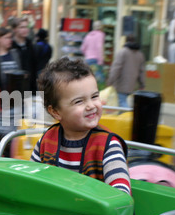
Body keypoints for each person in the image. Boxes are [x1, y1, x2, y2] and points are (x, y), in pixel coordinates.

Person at [30, 57, 131, 195]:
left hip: (97, 214)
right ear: (55, 112)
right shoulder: (46, 141)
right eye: (79, 101)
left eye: (94, 96)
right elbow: (31, 179)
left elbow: (121, 193)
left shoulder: (108, 146)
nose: (91, 106)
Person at [106, 35, 146, 108]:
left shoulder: (122, 52)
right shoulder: (140, 54)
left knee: (122, 102)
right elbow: (142, 71)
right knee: (124, 101)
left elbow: (116, 68)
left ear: (126, 41)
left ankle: (128, 117)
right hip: (132, 84)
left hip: (122, 83)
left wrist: (110, 81)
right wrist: (142, 84)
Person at [10, 17, 37, 91]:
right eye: (22, 27)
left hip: (29, 87)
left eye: (26, 27)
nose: (25, 30)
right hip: (13, 88)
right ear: (14, 29)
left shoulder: (30, 45)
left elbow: (34, 68)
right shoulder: (10, 45)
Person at [81, 20, 105, 85]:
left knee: (88, 78)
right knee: (99, 79)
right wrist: (101, 60)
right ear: (101, 27)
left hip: (88, 59)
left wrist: (87, 55)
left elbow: (83, 48)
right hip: (96, 60)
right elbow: (99, 47)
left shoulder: (88, 35)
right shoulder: (101, 34)